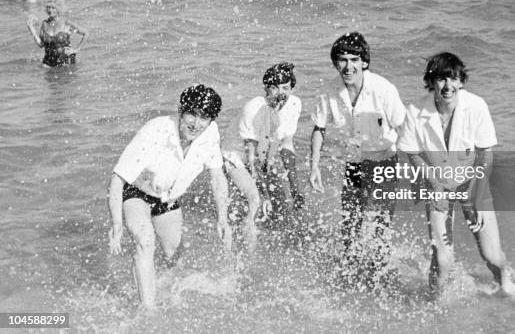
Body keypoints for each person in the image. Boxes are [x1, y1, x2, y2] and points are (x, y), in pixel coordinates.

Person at [397, 52, 515, 296]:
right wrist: (433, 183)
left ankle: (504, 280)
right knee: (442, 260)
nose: (448, 86)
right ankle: (436, 301)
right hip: (437, 185)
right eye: (441, 79)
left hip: (473, 183)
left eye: (453, 79)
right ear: (431, 82)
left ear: (461, 81)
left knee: (492, 256)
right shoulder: (415, 111)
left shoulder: (476, 106)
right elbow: (412, 153)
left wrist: (478, 193)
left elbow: (486, 154)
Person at [108, 84, 233, 308]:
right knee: (145, 241)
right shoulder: (155, 130)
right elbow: (118, 178)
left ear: (211, 120)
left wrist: (222, 218)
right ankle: (148, 311)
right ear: (180, 111)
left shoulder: (210, 134)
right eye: (191, 114)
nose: (196, 124)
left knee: (173, 254)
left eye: (204, 117)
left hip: (168, 200)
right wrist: (117, 223)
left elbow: (217, 176)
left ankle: (156, 287)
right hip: (137, 193)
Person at [309, 32, 406, 270]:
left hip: (385, 161)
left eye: (354, 59)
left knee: (378, 223)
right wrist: (314, 166)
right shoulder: (329, 92)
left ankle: (381, 272)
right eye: (342, 60)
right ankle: (349, 270)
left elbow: (404, 128)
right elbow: (319, 128)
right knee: (350, 221)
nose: (348, 66)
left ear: (364, 62)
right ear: (335, 63)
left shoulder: (384, 90)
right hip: (354, 162)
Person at [223, 62, 303, 223]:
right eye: (274, 87)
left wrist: (295, 188)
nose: (280, 93)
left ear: (292, 89)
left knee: (282, 209)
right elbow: (252, 158)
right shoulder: (253, 108)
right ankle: (243, 240)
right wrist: (264, 195)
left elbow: (286, 146)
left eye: (285, 88)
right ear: (265, 88)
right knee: (256, 202)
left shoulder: (294, 104)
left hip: (264, 156)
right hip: (236, 157)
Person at [25, 0, 88, 67]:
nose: (50, 10)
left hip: (66, 62)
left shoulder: (66, 22)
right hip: (48, 62)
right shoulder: (44, 23)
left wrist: (77, 49)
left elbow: (86, 33)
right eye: (48, 7)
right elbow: (41, 44)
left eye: (53, 8)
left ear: (58, 9)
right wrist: (32, 29)